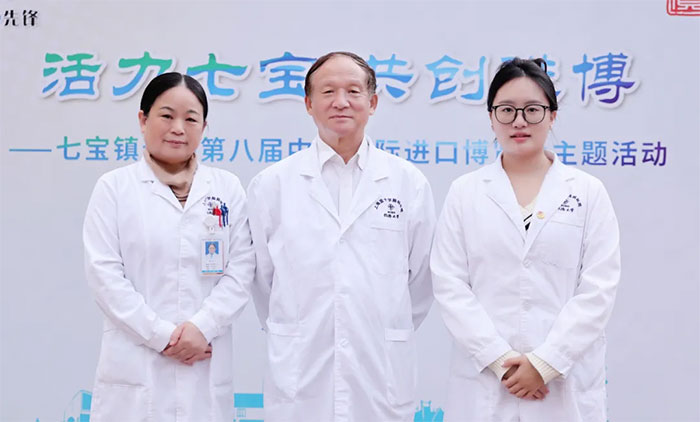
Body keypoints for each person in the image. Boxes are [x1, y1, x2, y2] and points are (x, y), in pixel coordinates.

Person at [247, 51, 436, 421]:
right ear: (308, 103)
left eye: (353, 91)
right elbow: (263, 281)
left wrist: (376, 323)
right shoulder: (272, 185)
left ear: (373, 102)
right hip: (301, 369)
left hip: (379, 368)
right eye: (328, 91)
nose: (341, 102)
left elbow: (421, 280)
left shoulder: (407, 183)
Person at [431, 58, 621, 421]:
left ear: (552, 116)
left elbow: (599, 288)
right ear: (491, 117)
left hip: (562, 383)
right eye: (506, 110)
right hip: (487, 381)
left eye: (532, 110)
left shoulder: (587, 191)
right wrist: (500, 360)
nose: (519, 121)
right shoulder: (465, 192)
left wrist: (546, 362)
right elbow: (450, 284)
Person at [83, 72, 254, 422]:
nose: (178, 128)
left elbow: (241, 269)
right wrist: (163, 336)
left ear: (204, 127)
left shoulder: (226, 187)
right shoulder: (114, 188)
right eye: (166, 115)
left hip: (204, 359)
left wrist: (203, 327)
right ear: (143, 120)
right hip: (137, 364)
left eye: (191, 119)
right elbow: (105, 277)